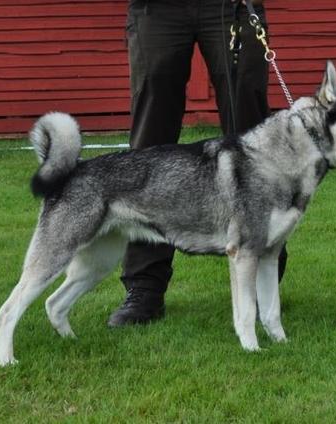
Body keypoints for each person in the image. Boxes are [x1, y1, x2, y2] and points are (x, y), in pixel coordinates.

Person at [110, 0, 287, 326]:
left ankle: (264, 280)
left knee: (252, 140)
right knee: (149, 146)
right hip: (158, 10)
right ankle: (145, 287)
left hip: (231, 6)